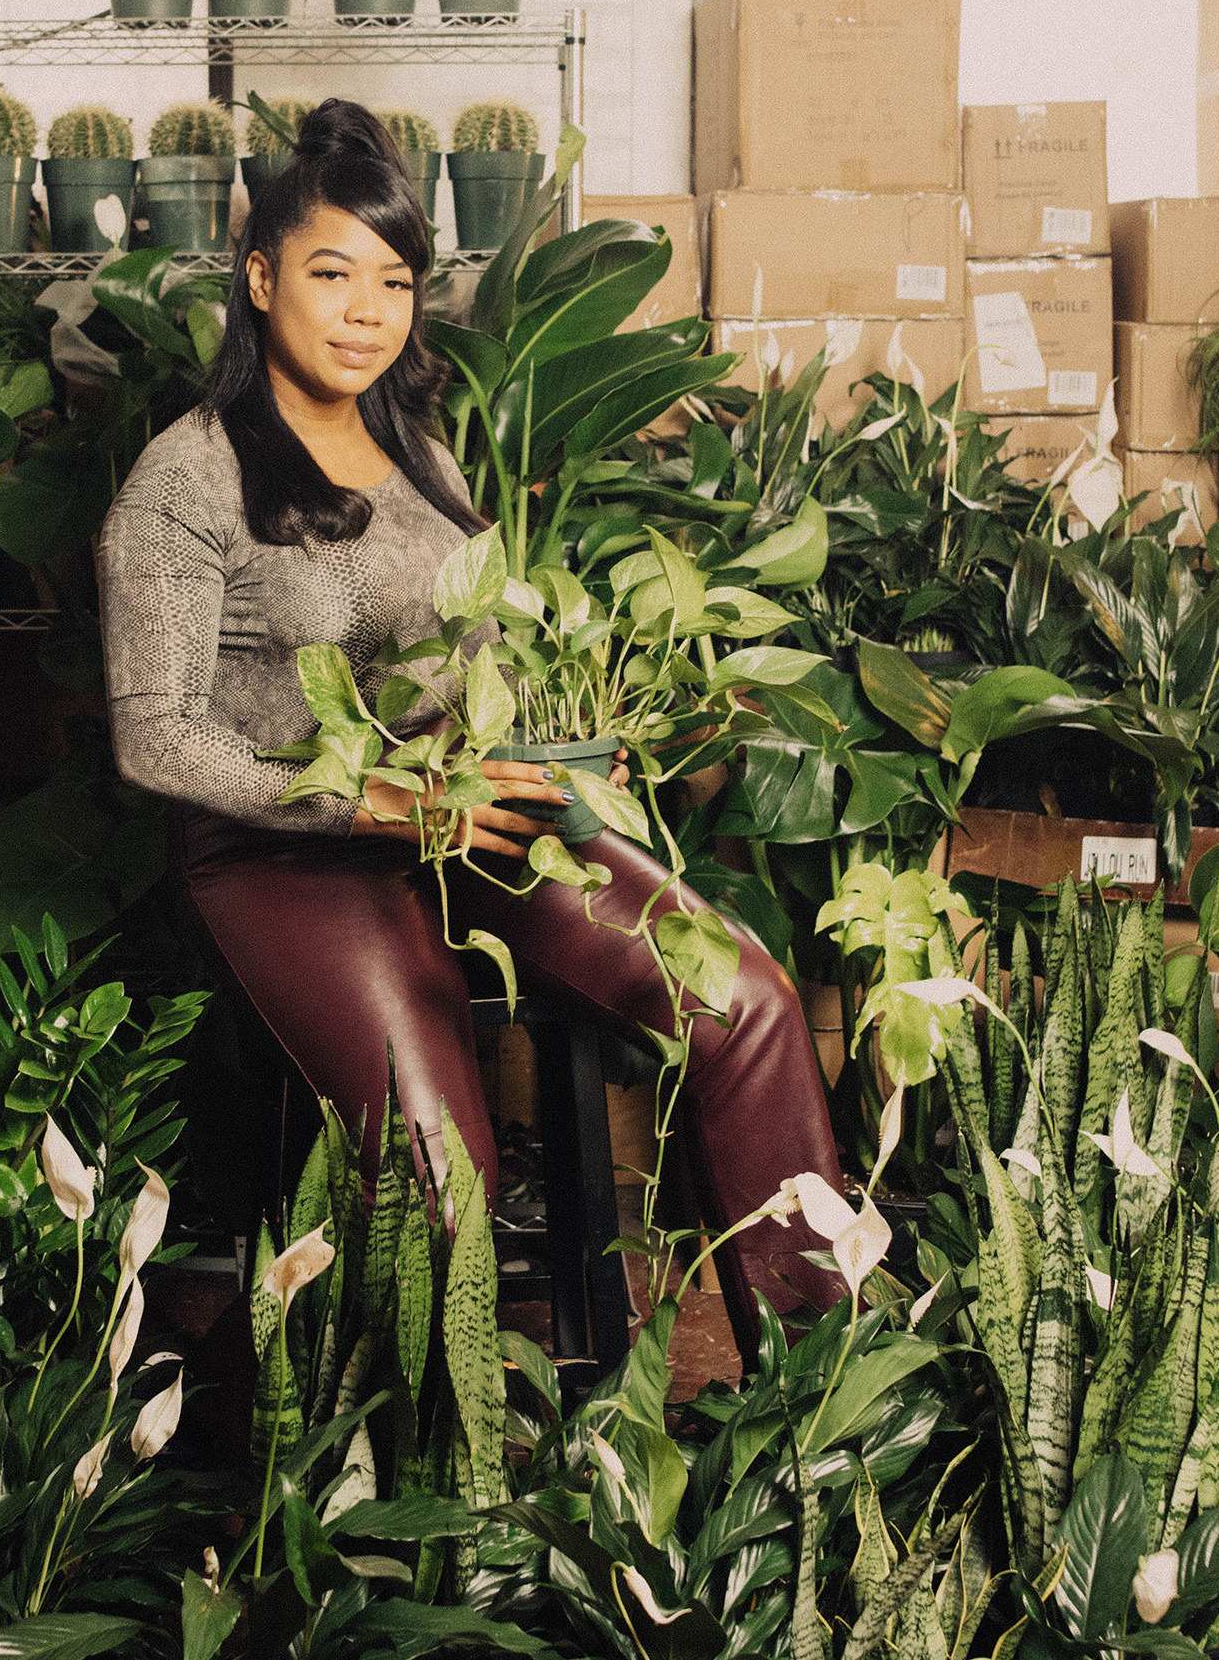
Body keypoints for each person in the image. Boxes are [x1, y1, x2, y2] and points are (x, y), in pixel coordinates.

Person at [96, 97, 848, 1339]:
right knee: (446, 1177)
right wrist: (383, 799)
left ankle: (818, 1393)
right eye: (332, 273)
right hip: (285, 853)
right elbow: (157, 738)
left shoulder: (420, 455)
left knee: (747, 1005)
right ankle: (437, 1481)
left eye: (392, 282)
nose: (364, 310)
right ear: (259, 276)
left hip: (471, 815)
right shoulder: (185, 479)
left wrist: (572, 735)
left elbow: (482, 641)